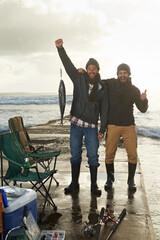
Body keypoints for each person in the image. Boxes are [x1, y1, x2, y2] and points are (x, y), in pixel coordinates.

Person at [55, 38, 108, 196]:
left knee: (93, 156)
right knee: (75, 154)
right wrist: (60, 48)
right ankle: (74, 183)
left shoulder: (102, 87)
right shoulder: (78, 79)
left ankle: (93, 185)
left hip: (92, 127)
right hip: (76, 124)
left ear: (97, 70)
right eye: (89, 68)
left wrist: (102, 128)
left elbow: (104, 109)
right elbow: (68, 65)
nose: (91, 71)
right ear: (86, 69)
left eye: (94, 68)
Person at [103, 63, 148, 191]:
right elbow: (96, 80)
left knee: (133, 154)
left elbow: (142, 109)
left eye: (125, 73)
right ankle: (110, 179)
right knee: (109, 154)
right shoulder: (111, 84)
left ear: (128, 74)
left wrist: (143, 100)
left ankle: (131, 181)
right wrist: (84, 73)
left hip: (129, 125)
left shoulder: (134, 90)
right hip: (113, 125)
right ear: (117, 74)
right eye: (120, 73)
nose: (122, 75)